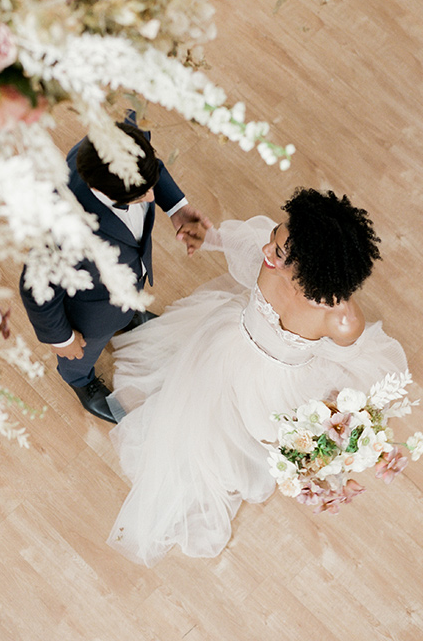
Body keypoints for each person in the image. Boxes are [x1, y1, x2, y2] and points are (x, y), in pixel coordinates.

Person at [106, 188, 408, 566]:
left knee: (248, 430)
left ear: (312, 272)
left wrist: (340, 422)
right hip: (226, 345)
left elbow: (346, 362)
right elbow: (242, 243)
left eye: (280, 253)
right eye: (275, 238)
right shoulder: (268, 255)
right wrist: (207, 236)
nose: (268, 251)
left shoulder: (340, 320)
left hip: (277, 383)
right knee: (200, 412)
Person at [19, 113, 211, 423]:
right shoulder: (63, 226)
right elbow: (33, 286)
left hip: (122, 279)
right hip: (90, 312)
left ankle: (126, 314)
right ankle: (79, 380)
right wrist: (63, 340)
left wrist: (176, 208)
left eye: (151, 188)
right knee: (82, 354)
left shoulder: (119, 143)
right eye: (141, 194)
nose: (151, 196)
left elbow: (154, 168)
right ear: (104, 192)